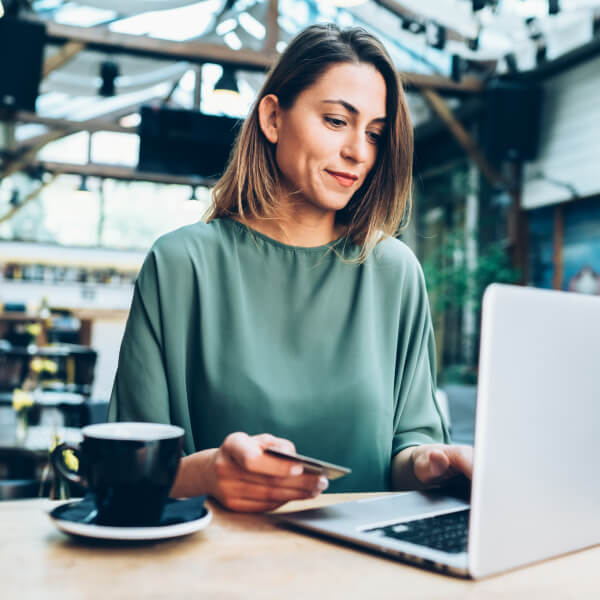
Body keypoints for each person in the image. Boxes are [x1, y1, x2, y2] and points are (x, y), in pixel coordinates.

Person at [108, 23, 473, 513]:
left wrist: (433, 462)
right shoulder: (180, 265)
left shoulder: (394, 272)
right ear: (274, 118)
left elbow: (409, 445)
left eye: (375, 133)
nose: (358, 152)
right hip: (214, 575)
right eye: (337, 121)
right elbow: (124, 469)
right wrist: (205, 473)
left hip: (368, 574)